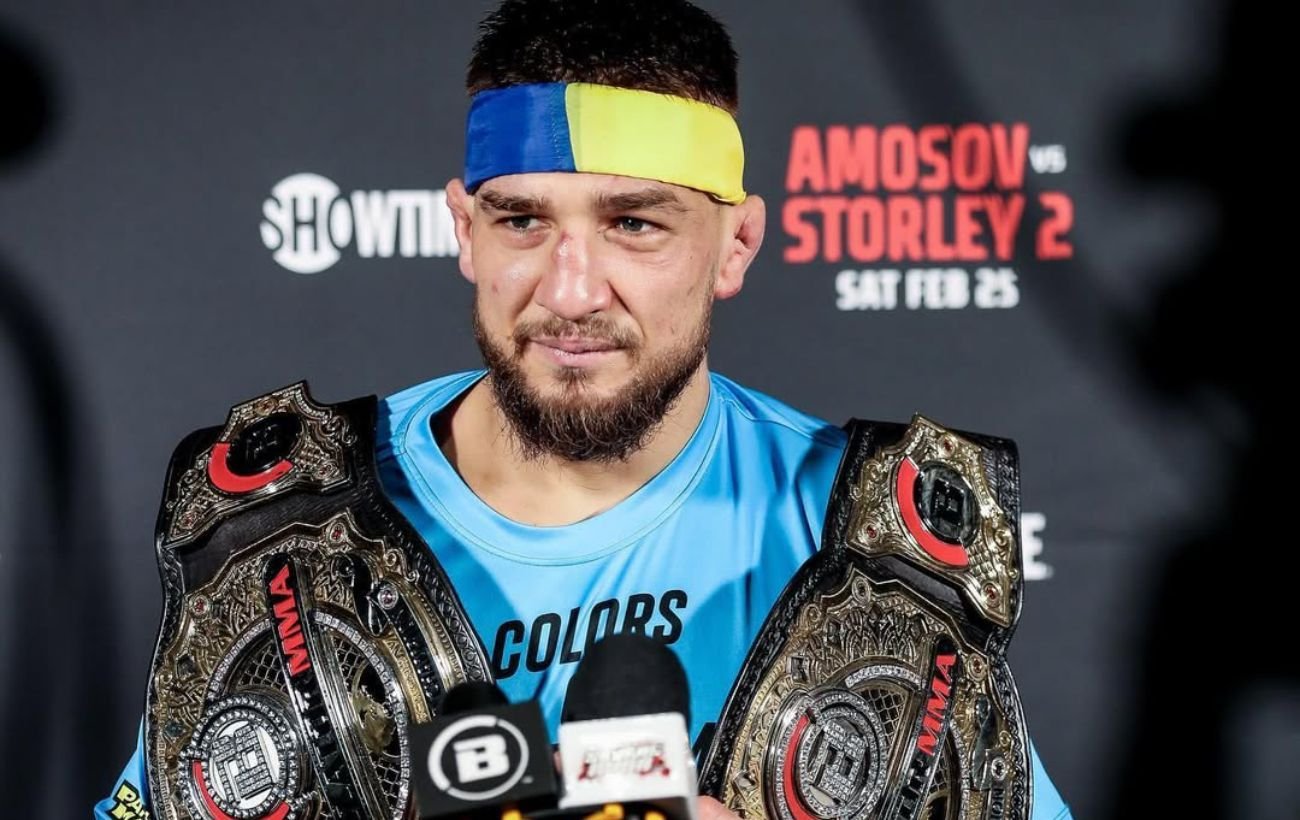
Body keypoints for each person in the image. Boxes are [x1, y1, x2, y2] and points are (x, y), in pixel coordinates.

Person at [97, 1, 1072, 818]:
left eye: (633, 224)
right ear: (463, 231)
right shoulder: (286, 538)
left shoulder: (862, 543)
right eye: (522, 220)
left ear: (735, 246)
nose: (569, 291)